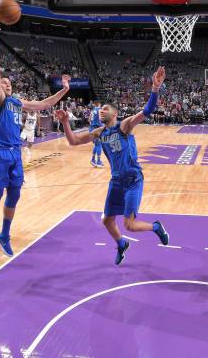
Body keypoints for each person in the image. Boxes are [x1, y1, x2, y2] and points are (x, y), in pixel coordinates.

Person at [55, 66, 169, 265]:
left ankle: (156, 227)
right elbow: (73, 141)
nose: (101, 111)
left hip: (133, 180)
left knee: (130, 225)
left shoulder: (124, 126)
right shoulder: (100, 132)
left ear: (115, 114)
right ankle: (121, 244)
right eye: (100, 109)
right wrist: (65, 123)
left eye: (105, 109)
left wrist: (155, 89)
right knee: (107, 221)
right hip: (116, 181)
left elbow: (147, 111)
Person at [0, 16, 70, 259]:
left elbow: (44, 104)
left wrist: (64, 90)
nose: (6, 83)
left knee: (15, 195)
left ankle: (4, 235)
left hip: (14, 152)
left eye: (9, 82)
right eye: (3, 82)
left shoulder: (17, 102)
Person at [89, 101, 103, 168]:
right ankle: (98, 161)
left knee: (96, 144)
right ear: (99, 104)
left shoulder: (93, 110)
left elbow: (89, 119)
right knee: (99, 145)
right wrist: (102, 127)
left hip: (91, 128)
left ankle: (93, 159)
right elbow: (100, 119)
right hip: (97, 129)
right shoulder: (99, 109)